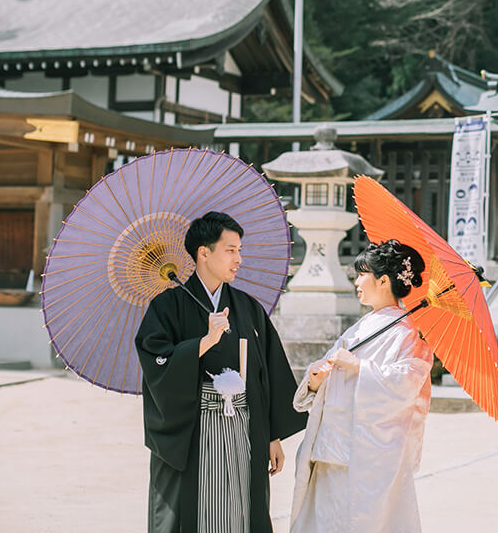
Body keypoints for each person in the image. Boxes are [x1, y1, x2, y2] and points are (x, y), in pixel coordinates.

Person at [135, 211, 306, 533]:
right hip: (193, 429)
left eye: (239, 250)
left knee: (241, 509)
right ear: (204, 252)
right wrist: (203, 342)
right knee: (195, 512)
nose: (238, 258)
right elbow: (155, 360)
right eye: (230, 250)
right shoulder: (167, 306)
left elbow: (267, 373)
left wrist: (272, 435)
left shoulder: (247, 307)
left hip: (244, 426)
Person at [289, 240, 433, 533]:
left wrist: (359, 367)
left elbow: (406, 384)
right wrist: (317, 382)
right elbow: (332, 374)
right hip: (331, 447)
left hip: (367, 455)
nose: (356, 281)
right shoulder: (361, 327)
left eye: (362, 274)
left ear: (383, 281)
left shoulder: (407, 335)